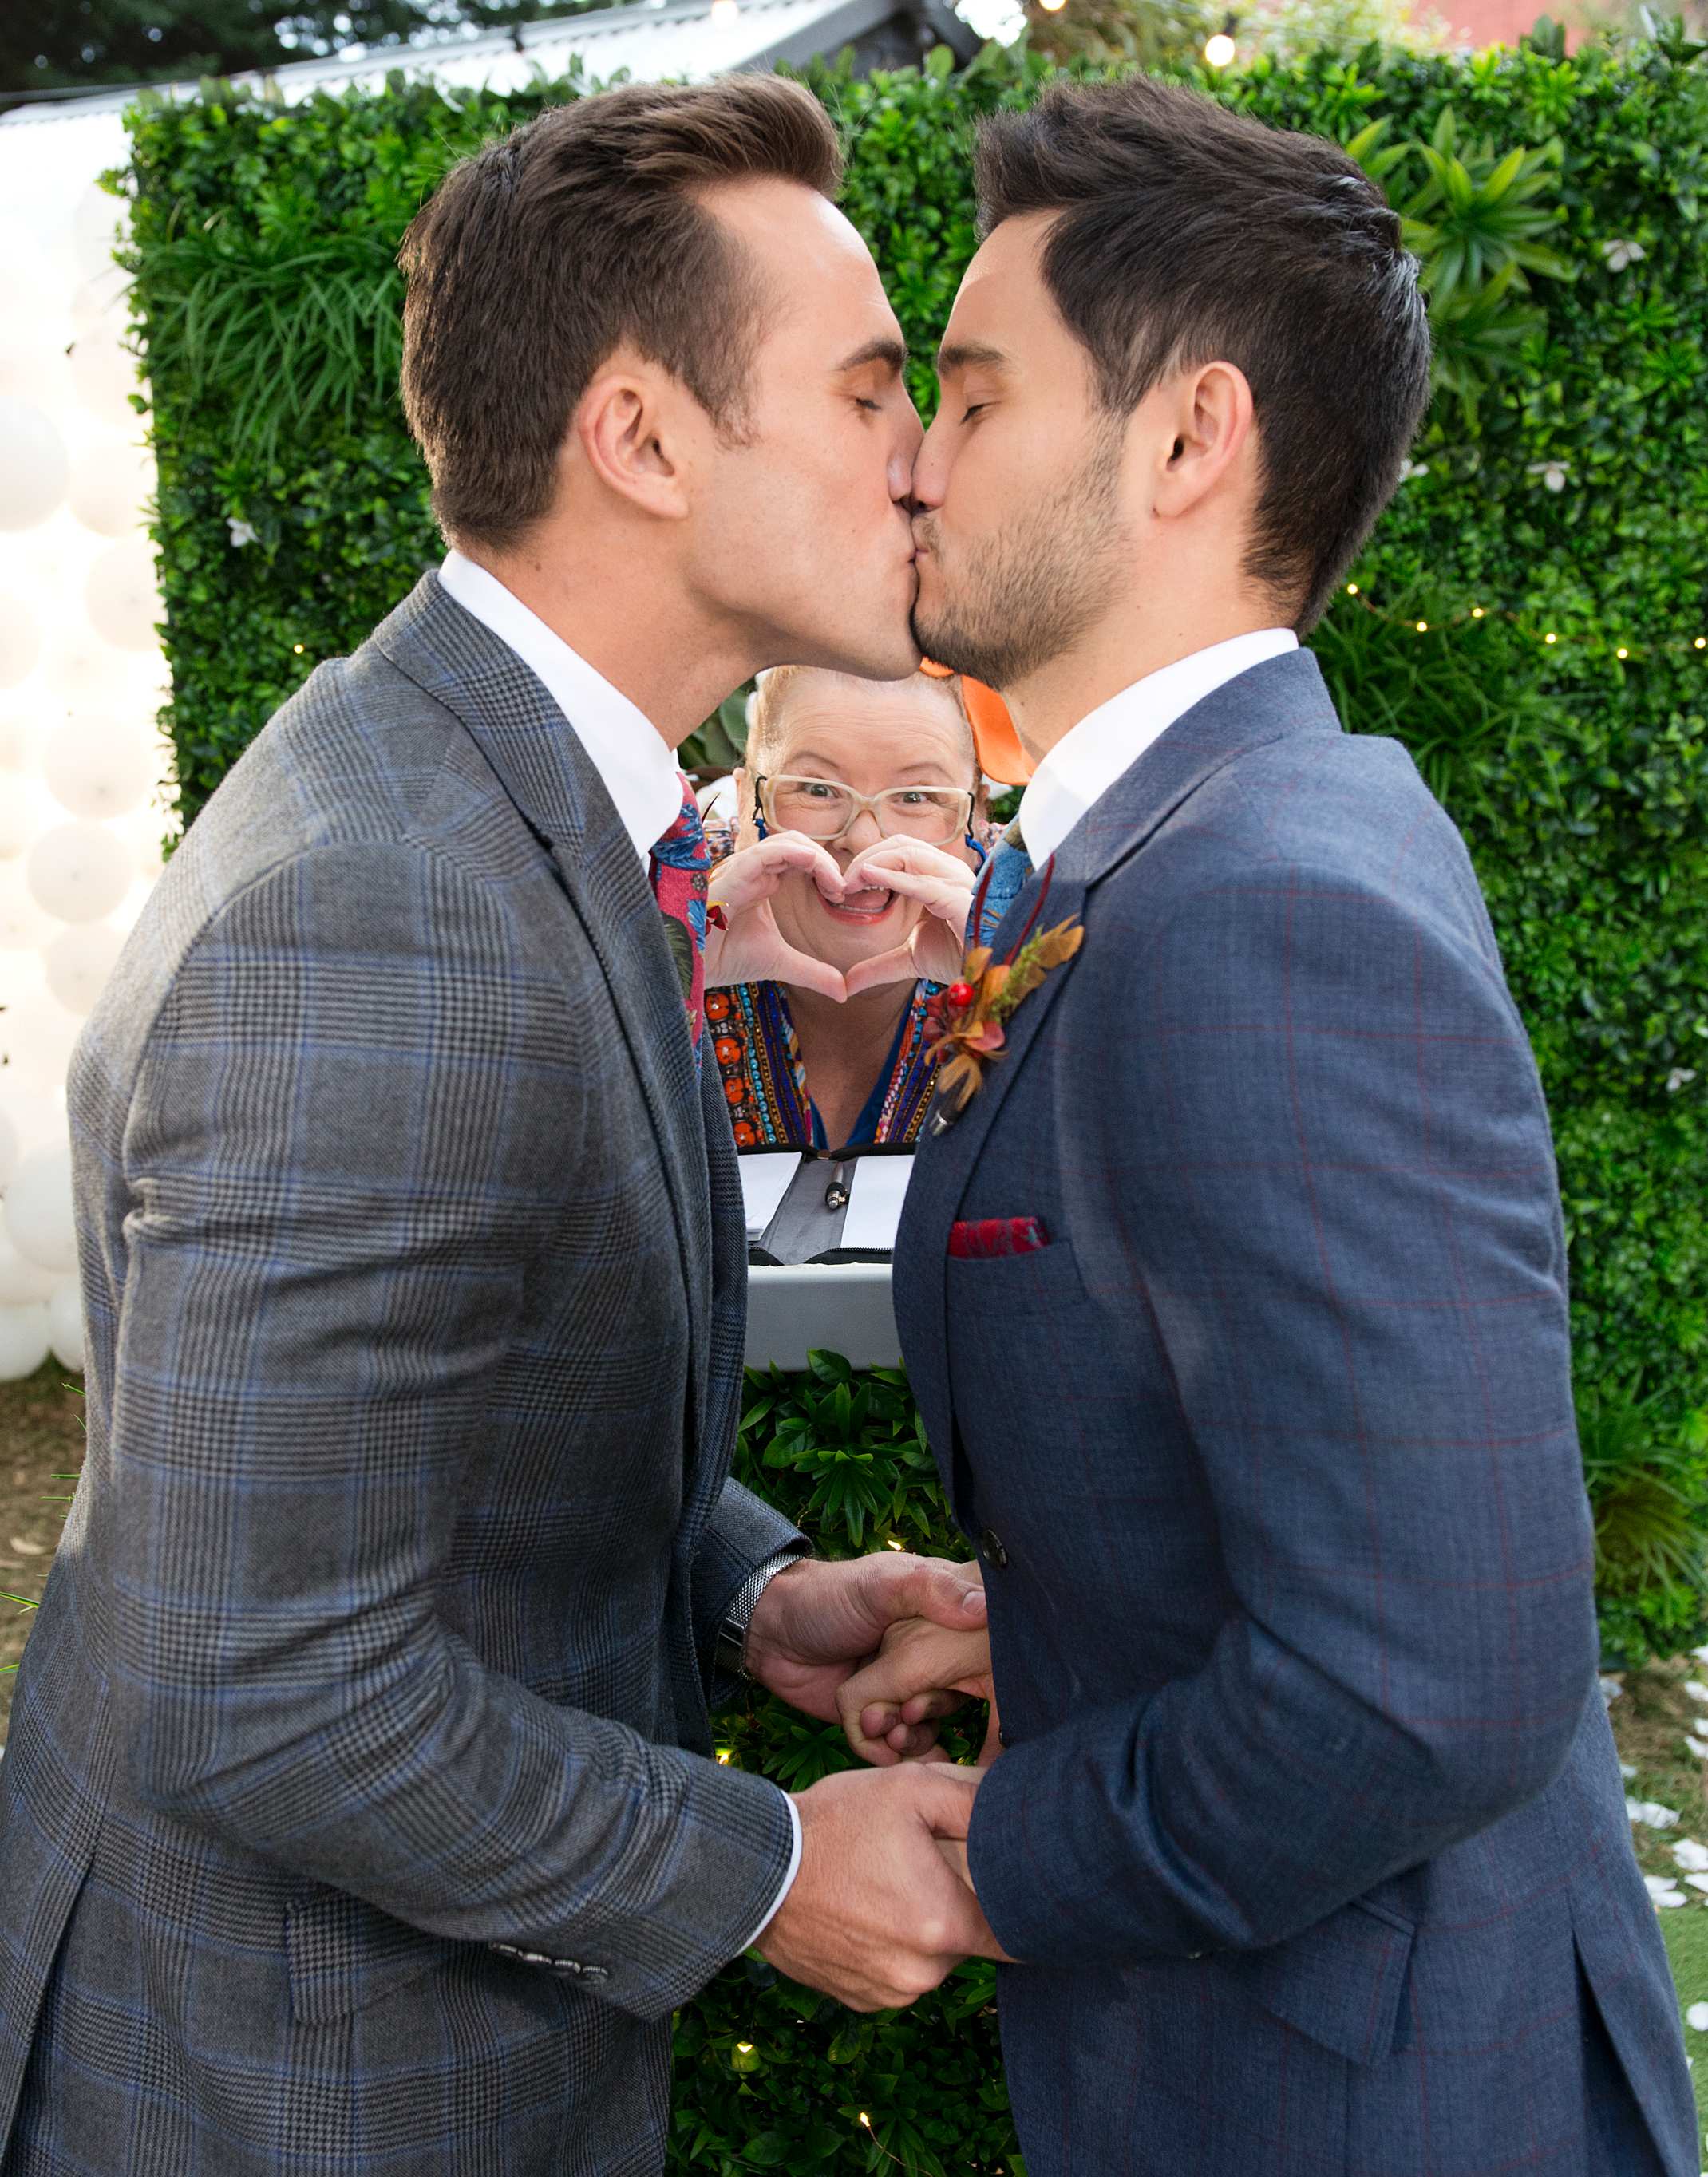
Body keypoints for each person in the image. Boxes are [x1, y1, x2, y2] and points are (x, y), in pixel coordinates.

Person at [0, 78, 1002, 2177]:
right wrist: (753, 1870)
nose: (921, 458)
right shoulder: (390, 909)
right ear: (640, 439)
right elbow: (257, 1676)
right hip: (303, 2083)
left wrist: (745, 1593)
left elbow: (437, 1423)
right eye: (865, 390)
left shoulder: (515, 784)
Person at [838, 71, 1698, 2177]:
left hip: (1364, 2103)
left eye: (967, 395)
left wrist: (987, 1854)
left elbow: (1425, 1685)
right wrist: (1042, 1625)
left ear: (1186, 437)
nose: (908, 469)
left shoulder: (1265, 909)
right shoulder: (1175, 843)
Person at [702, 663, 983, 1152]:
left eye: (917, 796)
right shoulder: (650, 906)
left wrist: (1009, 996)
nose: (862, 837)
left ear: (974, 815)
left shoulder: (1051, 918)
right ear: (748, 797)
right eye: (816, 790)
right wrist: (670, 984)